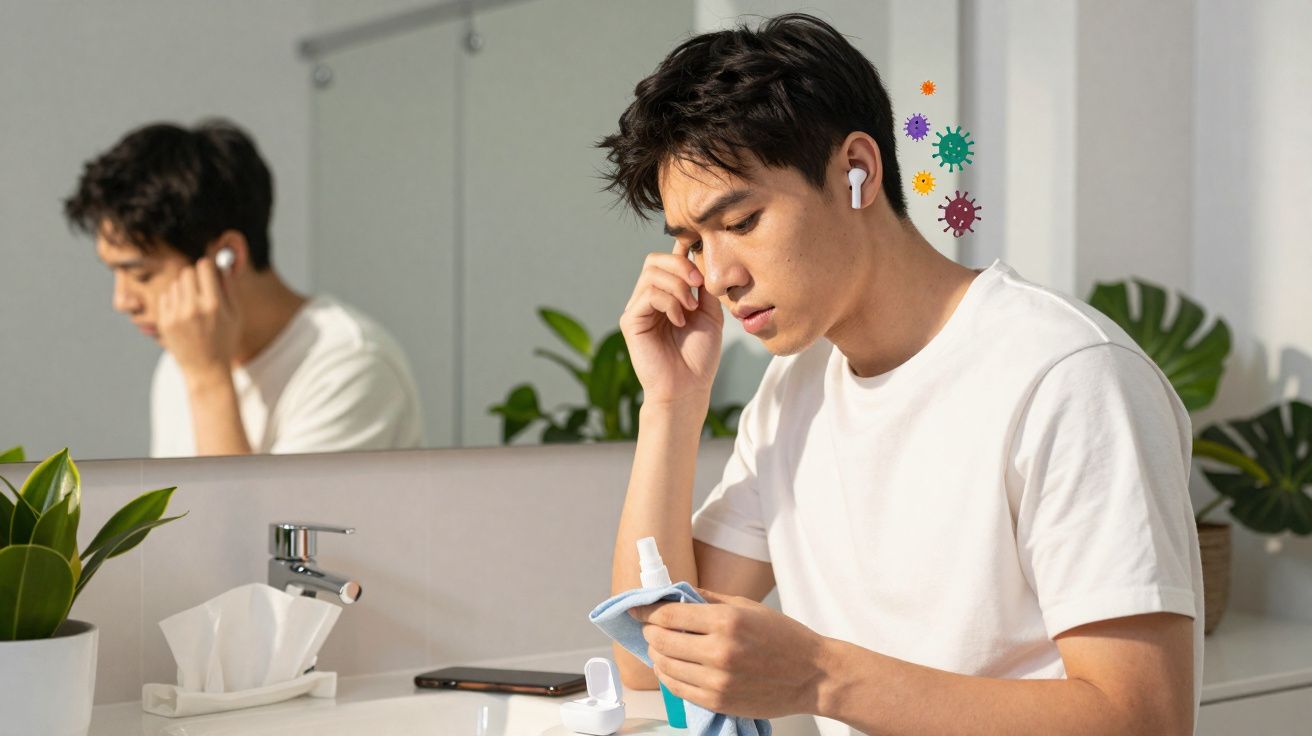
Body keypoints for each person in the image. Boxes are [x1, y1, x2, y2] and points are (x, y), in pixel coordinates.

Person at [599, 13, 1201, 735]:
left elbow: (1142, 720)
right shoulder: (794, 393)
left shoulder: (1068, 378)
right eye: (692, 243)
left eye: (743, 220)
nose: (717, 275)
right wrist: (671, 404)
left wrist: (820, 676)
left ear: (857, 170)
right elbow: (650, 658)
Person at [64, 119, 424, 457]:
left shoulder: (351, 367)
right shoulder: (179, 364)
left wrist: (209, 380)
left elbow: (254, 525)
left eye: (141, 275)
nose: (122, 301)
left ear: (227, 256)